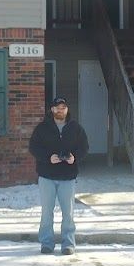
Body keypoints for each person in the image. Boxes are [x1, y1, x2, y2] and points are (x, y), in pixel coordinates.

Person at [28, 96, 90, 255]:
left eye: (63, 107)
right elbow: (33, 147)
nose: (60, 110)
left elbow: (84, 147)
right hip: (47, 176)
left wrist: (74, 157)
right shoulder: (42, 128)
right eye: (57, 107)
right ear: (52, 110)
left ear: (67, 109)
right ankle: (47, 243)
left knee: (68, 213)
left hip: (67, 177)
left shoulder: (75, 128)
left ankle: (68, 244)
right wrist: (47, 157)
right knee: (46, 212)